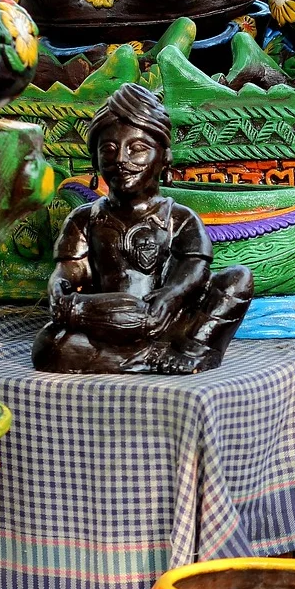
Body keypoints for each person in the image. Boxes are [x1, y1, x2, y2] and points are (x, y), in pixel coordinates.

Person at [32, 83, 253, 375]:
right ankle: (147, 358)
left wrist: (172, 294)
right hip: (105, 325)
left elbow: (195, 267)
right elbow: (71, 271)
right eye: (109, 150)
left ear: (165, 158)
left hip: (168, 320)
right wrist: (60, 288)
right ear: (95, 161)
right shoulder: (85, 218)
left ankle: (192, 350)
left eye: (137, 149)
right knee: (50, 346)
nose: (121, 159)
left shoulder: (179, 217)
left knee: (238, 278)